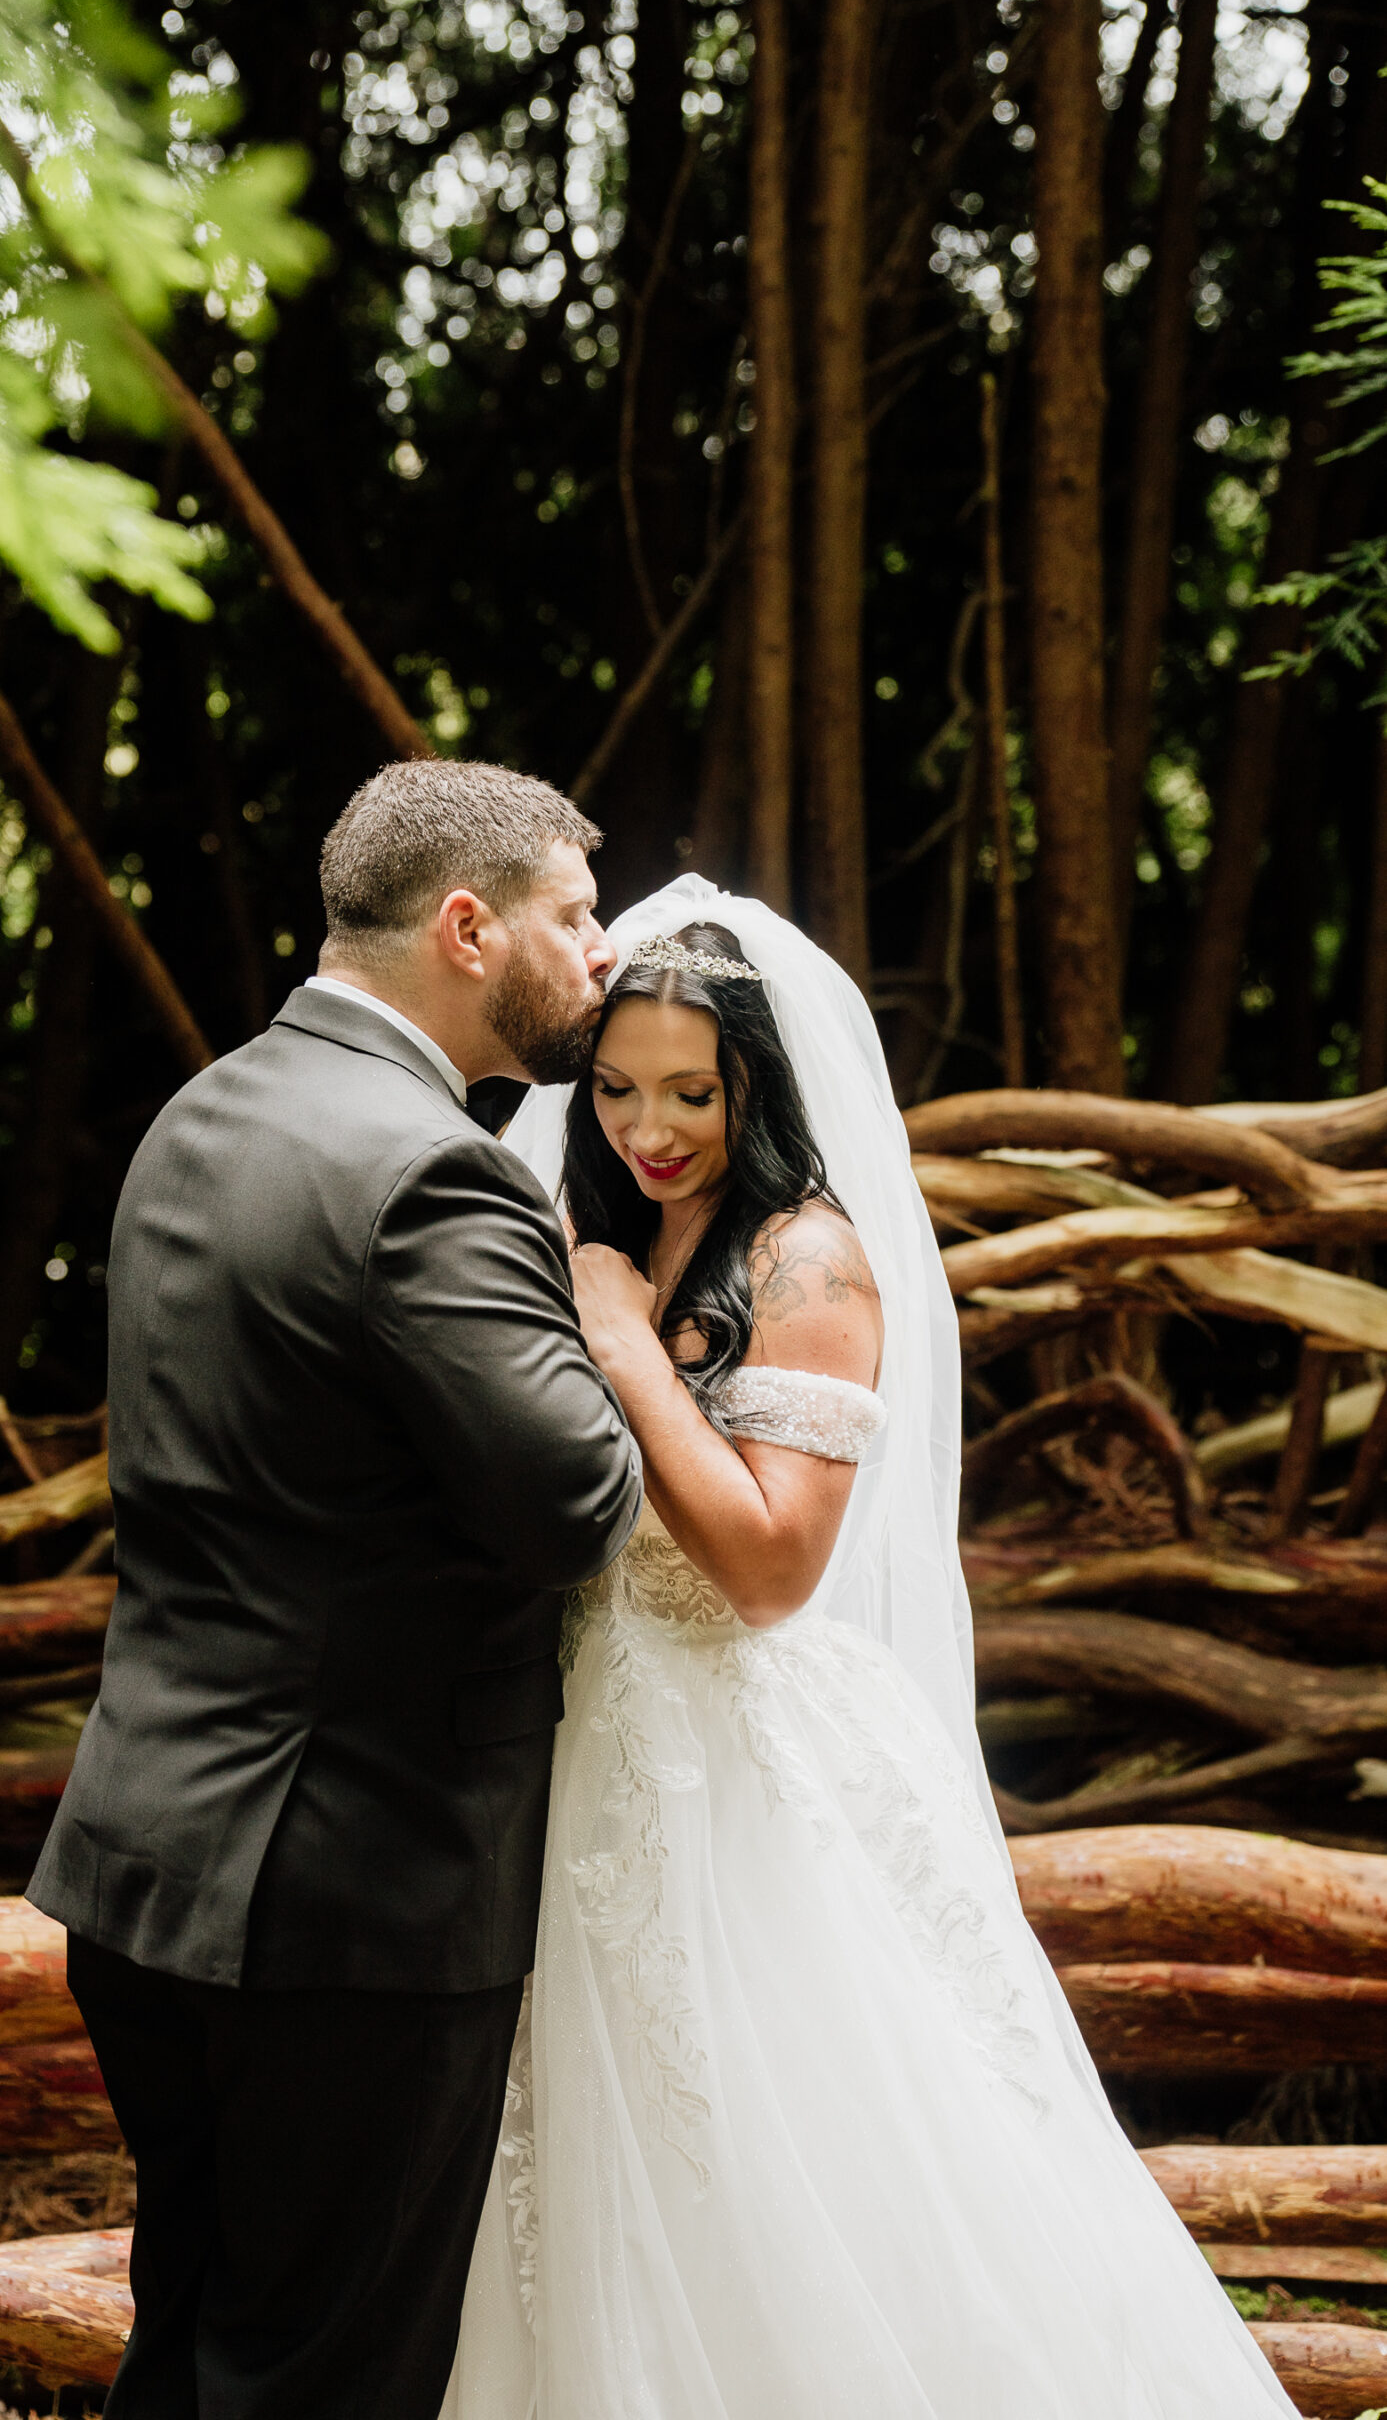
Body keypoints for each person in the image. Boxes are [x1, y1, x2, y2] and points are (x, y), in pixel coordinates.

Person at [442, 878, 1297, 2419]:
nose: (652, 1128)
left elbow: (773, 1564)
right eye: (620, 1090)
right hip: (589, 1766)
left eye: (693, 1093)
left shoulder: (806, 1264)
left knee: (804, 2160)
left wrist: (627, 1346)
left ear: (756, 1084)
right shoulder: (599, 1235)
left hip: (736, 1777)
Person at [28, 761, 644, 2420]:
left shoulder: (201, 1115)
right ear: (467, 926)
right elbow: (576, 1501)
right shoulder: (432, 1174)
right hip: (352, 1904)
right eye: (574, 916)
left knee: (197, 2337)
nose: (602, 950)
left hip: (148, 1862)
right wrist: (623, 1321)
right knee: (328, 2382)